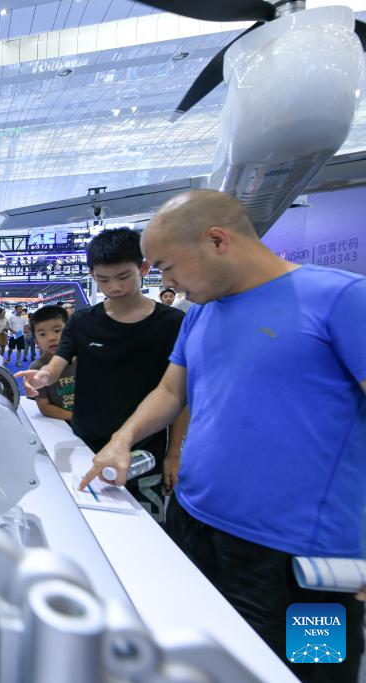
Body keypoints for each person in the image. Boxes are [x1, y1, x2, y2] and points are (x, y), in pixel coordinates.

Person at [78, 190, 366, 682]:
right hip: (194, 529)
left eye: (167, 267)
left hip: (303, 563)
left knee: (312, 671)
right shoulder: (202, 312)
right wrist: (123, 438)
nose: (165, 282)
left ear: (216, 240)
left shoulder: (341, 299)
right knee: (201, 664)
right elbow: (171, 392)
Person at [20, 227, 186, 523]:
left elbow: (178, 395)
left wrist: (174, 453)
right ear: (92, 275)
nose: (115, 287)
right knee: (87, 523)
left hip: (144, 451)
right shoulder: (82, 322)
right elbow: (56, 364)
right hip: (85, 445)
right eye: (104, 279)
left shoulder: (173, 323)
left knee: (145, 528)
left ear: (143, 268)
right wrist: (43, 377)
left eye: (124, 276)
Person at [25, 305, 74, 422]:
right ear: (36, 342)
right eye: (43, 334)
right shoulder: (37, 368)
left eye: (57, 331)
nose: (51, 338)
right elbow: (45, 407)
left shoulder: (82, 359)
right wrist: (79, 419)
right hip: (61, 425)